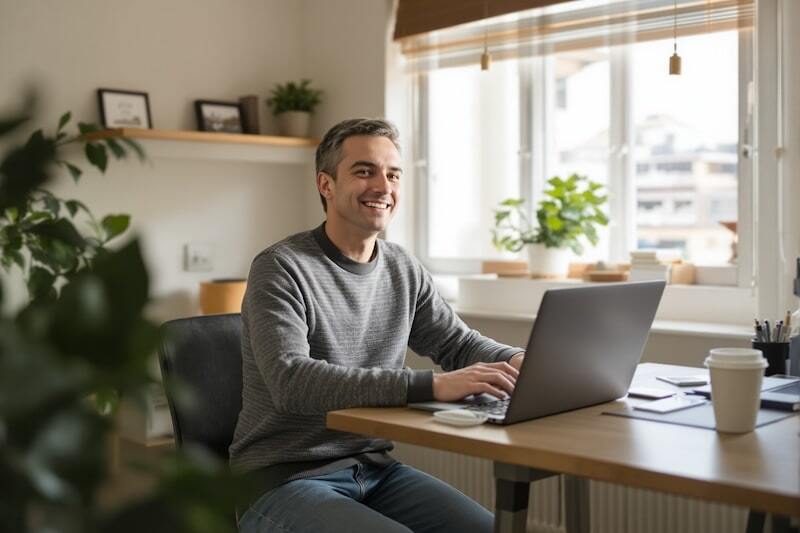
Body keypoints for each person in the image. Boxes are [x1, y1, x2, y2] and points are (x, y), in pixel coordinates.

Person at [230, 118, 525, 533]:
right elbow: (290, 381)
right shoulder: (280, 267)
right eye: (364, 171)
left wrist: (519, 359)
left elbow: (456, 343)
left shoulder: (402, 267)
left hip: (374, 470)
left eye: (393, 174)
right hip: (280, 479)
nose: (383, 186)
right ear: (326, 185)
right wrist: (432, 385)